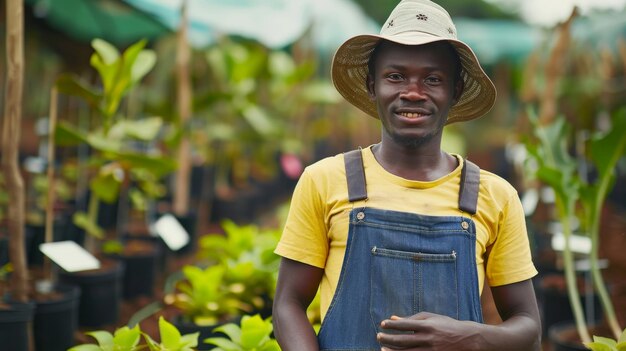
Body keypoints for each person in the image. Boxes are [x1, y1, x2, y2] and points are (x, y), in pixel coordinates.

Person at [272, 0, 541, 350]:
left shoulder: (494, 196)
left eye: (433, 79)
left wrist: (468, 335)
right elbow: (288, 304)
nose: (413, 92)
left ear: (455, 91)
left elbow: (529, 328)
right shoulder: (325, 181)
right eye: (395, 76)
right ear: (372, 86)